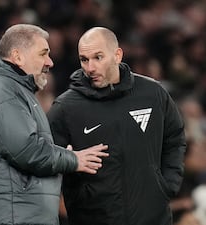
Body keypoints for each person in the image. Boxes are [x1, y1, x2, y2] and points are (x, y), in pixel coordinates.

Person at [0, 24, 109, 225]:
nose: (50, 62)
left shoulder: (13, 89)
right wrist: (73, 159)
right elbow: (25, 150)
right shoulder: (0, 89)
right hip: (12, 217)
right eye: (43, 54)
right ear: (17, 56)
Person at [47, 27, 187, 225]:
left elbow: (175, 137)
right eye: (84, 59)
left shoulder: (152, 93)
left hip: (153, 217)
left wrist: (167, 185)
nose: (90, 68)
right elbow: (47, 156)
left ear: (117, 55)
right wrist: (75, 194)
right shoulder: (66, 107)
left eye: (98, 57)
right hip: (92, 218)